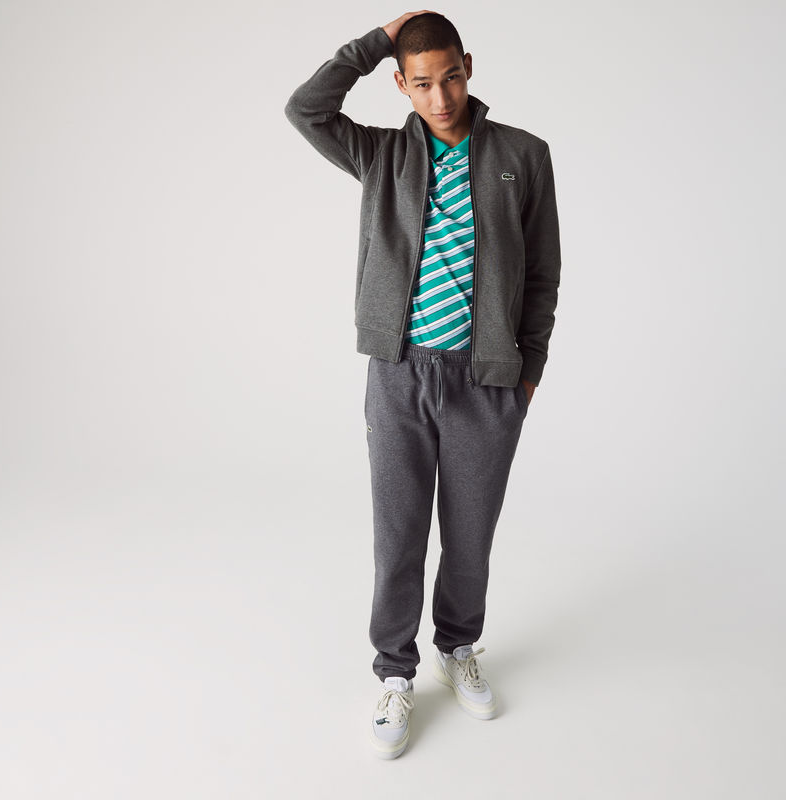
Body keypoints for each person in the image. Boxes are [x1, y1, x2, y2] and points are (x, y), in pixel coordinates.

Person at [284, 11, 561, 759]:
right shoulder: (379, 154)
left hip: (488, 379)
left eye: (453, 77)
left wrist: (527, 371)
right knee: (399, 532)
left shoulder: (523, 155)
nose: (442, 97)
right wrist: (378, 41)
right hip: (399, 373)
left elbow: (543, 272)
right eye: (424, 83)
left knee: (470, 534)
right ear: (402, 85)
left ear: (469, 66)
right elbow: (305, 109)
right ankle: (395, 671)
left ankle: (458, 646)